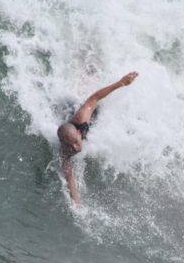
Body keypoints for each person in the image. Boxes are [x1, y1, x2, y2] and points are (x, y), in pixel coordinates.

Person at [57, 71, 139, 204]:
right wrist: (77, 204)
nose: (75, 148)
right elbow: (70, 178)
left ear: (79, 133)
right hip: (69, 124)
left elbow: (95, 97)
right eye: (70, 145)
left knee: (87, 87)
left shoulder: (81, 117)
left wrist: (121, 82)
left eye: (75, 142)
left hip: (80, 108)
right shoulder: (66, 151)